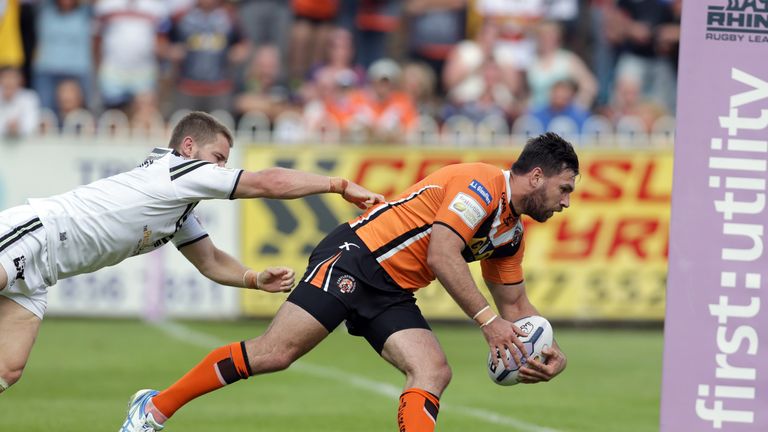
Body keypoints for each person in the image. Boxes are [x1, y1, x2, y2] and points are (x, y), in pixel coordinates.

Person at [120, 132, 577, 432]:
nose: (565, 202)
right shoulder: (479, 184)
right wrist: (487, 322)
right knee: (275, 353)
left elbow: (515, 305)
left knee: (434, 370)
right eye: (564, 188)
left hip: (392, 288)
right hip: (355, 257)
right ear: (536, 176)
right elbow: (442, 254)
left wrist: (549, 349)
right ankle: (154, 408)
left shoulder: (510, 233)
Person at [0, 111, 383, 396]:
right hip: (34, 234)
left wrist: (253, 279)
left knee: (9, 368)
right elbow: (266, 182)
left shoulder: (180, 208)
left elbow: (211, 261)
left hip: (39, 275)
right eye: (219, 158)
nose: (223, 168)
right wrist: (338, 184)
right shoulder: (177, 171)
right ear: (188, 148)